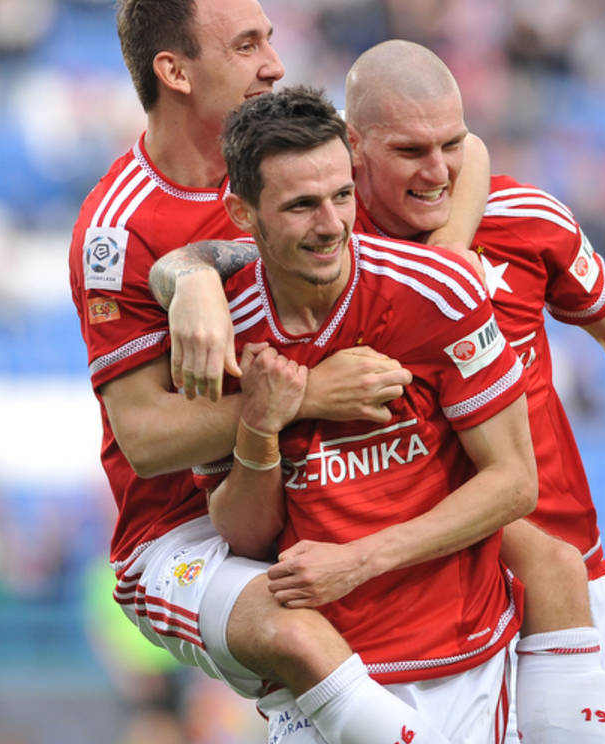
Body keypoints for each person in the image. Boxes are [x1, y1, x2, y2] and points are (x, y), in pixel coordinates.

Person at [152, 40, 605, 744]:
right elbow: (209, 254)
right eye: (410, 150)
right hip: (427, 605)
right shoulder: (324, 248)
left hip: (564, 581)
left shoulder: (525, 221)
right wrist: (191, 277)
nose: (438, 171)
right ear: (354, 147)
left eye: (451, 145)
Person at [69, 0, 493, 744]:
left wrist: (449, 261)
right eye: (247, 46)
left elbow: (466, 155)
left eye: (269, 40)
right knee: (293, 629)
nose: (273, 63)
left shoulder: (299, 153)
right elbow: (146, 438)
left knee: (534, 544)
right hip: (187, 536)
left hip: (318, 500)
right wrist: (308, 394)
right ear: (175, 73)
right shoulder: (119, 228)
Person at [196, 84, 539, 743]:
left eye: (342, 196)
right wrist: (260, 426)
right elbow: (244, 535)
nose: (332, 224)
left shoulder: (437, 292)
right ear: (243, 212)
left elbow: (515, 482)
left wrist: (358, 560)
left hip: (455, 662)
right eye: (302, 205)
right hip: (316, 683)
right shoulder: (222, 335)